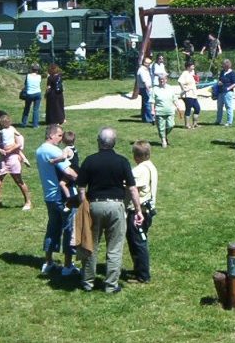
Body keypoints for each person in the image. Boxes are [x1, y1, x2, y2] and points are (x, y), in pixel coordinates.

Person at [75, 127, 144, 293]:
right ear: (114, 143)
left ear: (99, 141)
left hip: (94, 205)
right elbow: (133, 189)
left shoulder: (90, 160)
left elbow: (81, 187)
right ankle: (111, 285)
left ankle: (87, 282)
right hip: (116, 206)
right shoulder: (122, 161)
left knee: (90, 245)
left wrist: (83, 204)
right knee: (115, 247)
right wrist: (138, 209)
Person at [36, 124, 79, 277]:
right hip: (62, 197)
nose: (62, 139)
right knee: (69, 229)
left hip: (49, 196)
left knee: (52, 228)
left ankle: (48, 262)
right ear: (52, 135)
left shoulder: (39, 150)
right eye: (60, 136)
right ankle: (68, 265)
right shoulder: (53, 150)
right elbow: (69, 172)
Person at [0, 112, 32, 215]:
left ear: (0, 120)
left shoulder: (12, 130)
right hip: (3, 159)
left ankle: (28, 202)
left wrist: (11, 151)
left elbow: (19, 143)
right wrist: (0, 150)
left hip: (13, 159)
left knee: (18, 181)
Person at [126, 140, 158, 283]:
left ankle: (143, 275)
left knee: (138, 242)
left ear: (136, 156)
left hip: (138, 212)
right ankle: (138, 269)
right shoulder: (151, 166)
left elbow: (134, 190)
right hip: (148, 210)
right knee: (136, 241)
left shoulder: (139, 170)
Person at [151, 74, 177, 148]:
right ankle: (163, 140)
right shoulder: (155, 89)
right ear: (158, 80)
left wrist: (178, 106)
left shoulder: (170, 88)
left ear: (166, 80)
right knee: (161, 127)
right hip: (159, 111)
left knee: (171, 125)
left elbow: (174, 98)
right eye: (160, 79)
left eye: (163, 79)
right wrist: (152, 110)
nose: (162, 80)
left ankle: (164, 135)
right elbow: (152, 101)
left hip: (170, 110)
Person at [215, 58, 235, 127]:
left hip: (228, 93)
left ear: (228, 65)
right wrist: (219, 82)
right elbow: (220, 79)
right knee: (219, 107)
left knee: (228, 107)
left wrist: (228, 88)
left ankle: (229, 122)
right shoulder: (222, 72)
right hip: (220, 92)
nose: (223, 66)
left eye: (224, 65)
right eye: (223, 65)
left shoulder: (232, 73)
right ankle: (218, 120)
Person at [178, 61, 201, 129]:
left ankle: (195, 123)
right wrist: (183, 89)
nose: (193, 66)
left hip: (193, 94)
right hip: (188, 95)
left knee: (197, 108)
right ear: (188, 67)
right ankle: (187, 125)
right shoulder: (185, 73)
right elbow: (180, 81)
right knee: (188, 109)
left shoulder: (191, 73)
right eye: (192, 65)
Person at [21, 63, 43, 129]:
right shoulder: (39, 76)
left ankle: (24, 123)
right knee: (36, 109)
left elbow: (25, 84)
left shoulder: (28, 76)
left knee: (27, 108)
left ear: (31, 69)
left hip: (29, 94)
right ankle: (35, 125)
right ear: (38, 70)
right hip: (37, 93)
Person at [136, 57, 154, 124]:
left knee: (145, 104)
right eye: (148, 63)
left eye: (150, 63)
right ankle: (149, 119)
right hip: (145, 88)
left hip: (145, 88)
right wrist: (148, 90)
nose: (149, 64)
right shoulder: (142, 70)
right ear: (144, 63)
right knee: (148, 104)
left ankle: (144, 118)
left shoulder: (145, 69)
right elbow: (144, 81)